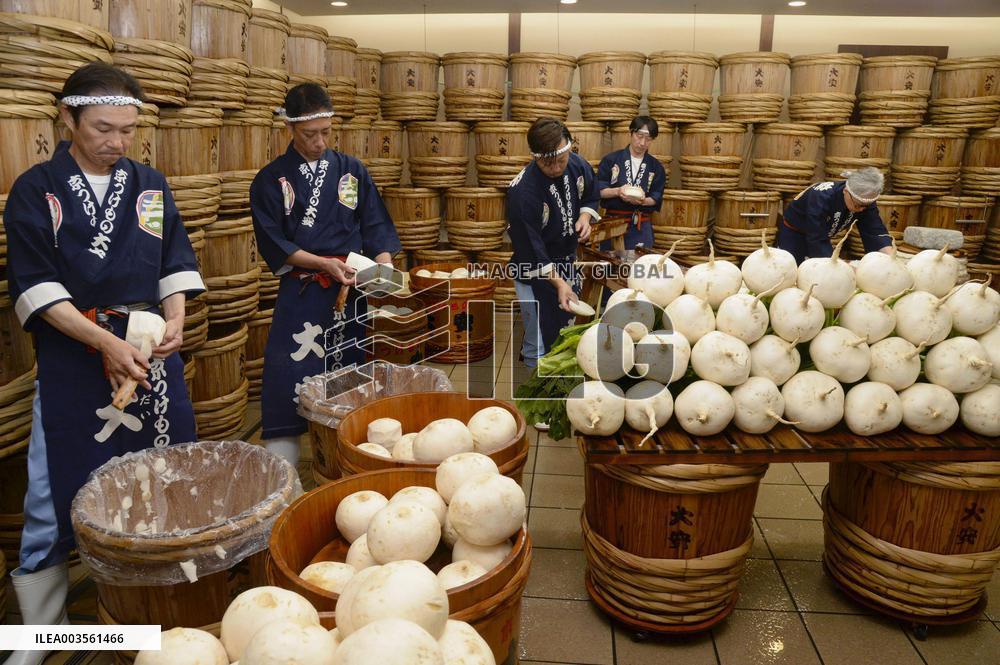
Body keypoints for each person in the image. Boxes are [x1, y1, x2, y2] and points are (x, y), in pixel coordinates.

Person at [2, 63, 203, 664]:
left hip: (146, 356)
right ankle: (46, 633)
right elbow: (36, 289)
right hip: (73, 361)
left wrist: (176, 318)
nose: (118, 142)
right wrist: (103, 344)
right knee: (51, 491)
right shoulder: (35, 190)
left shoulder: (149, 184)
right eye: (104, 129)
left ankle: (165, 615)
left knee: (166, 479)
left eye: (127, 130)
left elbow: (173, 262)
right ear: (67, 118)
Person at [250, 83, 400, 469]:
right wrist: (321, 263)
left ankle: (344, 451)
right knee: (290, 371)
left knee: (347, 367)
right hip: (303, 291)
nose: (319, 142)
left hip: (350, 288)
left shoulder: (352, 171)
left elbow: (375, 223)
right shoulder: (271, 179)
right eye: (309, 135)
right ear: (290, 129)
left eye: (326, 133)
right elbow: (274, 240)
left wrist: (383, 264)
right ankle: (284, 464)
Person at [507, 117, 599, 369]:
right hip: (532, 268)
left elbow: (591, 193)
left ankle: (557, 381)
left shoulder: (576, 164)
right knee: (538, 336)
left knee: (563, 328)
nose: (557, 167)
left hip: (567, 260)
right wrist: (558, 282)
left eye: (562, 159)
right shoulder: (523, 193)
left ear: (569, 148)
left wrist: (585, 216)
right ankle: (533, 388)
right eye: (549, 163)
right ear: (536, 158)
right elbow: (530, 249)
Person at [777, 167, 893, 263]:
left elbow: (874, 230)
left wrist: (890, 256)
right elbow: (817, 237)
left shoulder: (864, 200)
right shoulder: (821, 197)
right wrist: (838, 264)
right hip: (796, 233)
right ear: (846, 192)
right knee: (792, 269)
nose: (862, 209)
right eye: (858, 205)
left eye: (867, 205)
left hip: (821, 236)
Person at [596, 116, 667, 249]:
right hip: (612, 223)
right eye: (639, 136)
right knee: (609, 264)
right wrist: (618, 191)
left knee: (639, 266)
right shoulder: (611, 160)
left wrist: (642, 201)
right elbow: (599, 191)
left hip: (640, 224)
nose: (642, 142)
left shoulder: (655, 166)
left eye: (648, 138)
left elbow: (656, 197)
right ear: (630, 133)